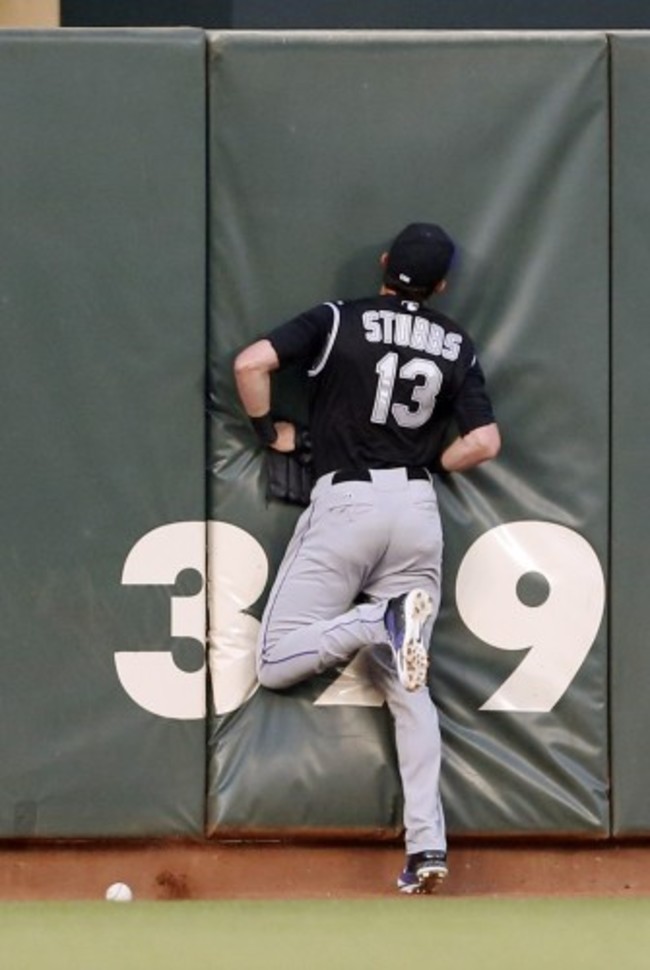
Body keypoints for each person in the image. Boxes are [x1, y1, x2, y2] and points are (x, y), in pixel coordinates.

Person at [233, 223, 501, 894]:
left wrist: (269, 432)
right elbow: (486, 441)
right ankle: (428, 850)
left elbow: (250, 364)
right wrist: (435, 461)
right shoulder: (456, 344)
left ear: (383, 265)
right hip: (415, 509)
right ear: (441, 286)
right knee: (411, 695)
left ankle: (379, 622)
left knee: (273, 663)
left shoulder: (337, 319)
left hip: (347, 502)